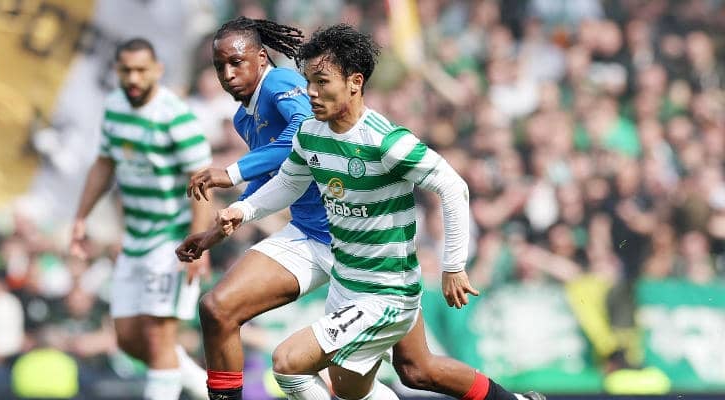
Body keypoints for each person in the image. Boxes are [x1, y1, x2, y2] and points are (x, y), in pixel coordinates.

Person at [179, 19, 545, 400]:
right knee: (408, 373)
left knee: (289, 363)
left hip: (386, 288)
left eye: (321, 83)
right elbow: (288, 182)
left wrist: (453, 265)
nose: (310, 93)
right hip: (343, 273)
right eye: (309, 82)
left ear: (354, 83)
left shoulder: (383, 141)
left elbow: (453, 186)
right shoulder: (306, 132)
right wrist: (241, 211)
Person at [69, 38, 210, 400]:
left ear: (157, 71)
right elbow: (104, 163)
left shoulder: (175, 116)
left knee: (158, 335)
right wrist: (81, 216)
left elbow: (203, 181)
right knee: (128, 338)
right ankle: (203, 386)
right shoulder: (114, 107)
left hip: (173, 237)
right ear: (117, 71)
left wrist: (198, 243)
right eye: (126, 70)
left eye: (141, 70)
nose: (133, 78)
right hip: (135, 238)